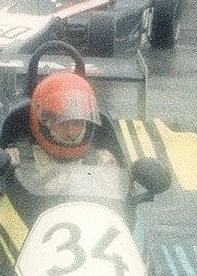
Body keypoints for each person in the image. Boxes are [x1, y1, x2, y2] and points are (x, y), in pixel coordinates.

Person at [9, 70, 124, 198]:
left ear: (87, 124)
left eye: (77, 123)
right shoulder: (14, 159)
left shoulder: (102, 161)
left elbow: (114, 204)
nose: (70, 132)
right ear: (44, 123)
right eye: (62, 123)